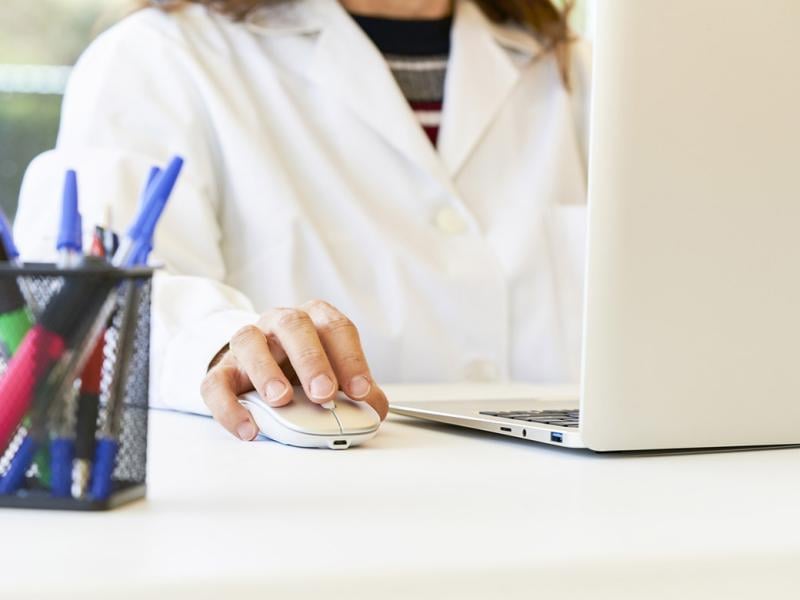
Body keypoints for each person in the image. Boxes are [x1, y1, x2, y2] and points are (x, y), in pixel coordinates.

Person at [14, 0, 591, 442]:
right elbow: (99, 299)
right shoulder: (158, 58)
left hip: (584, 520)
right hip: (297, 528)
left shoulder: (587, 73)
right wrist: (224, 348)